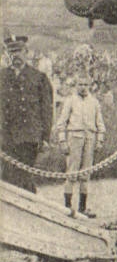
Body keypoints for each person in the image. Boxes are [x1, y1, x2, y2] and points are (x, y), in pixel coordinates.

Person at [0, 34, 54, 192]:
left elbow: (46, 110)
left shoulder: (39, 78)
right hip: (5, 137)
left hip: (28, 136)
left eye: (19, 51)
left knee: (24, 177)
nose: (16, 55)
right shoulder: (1, 77)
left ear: (26, 52)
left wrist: (45, 137)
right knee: (6, 178)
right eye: (12, 52)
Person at [53, 58, 106, 217]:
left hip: (89, 138)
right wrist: (62, 141)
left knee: (86, 173)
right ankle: (68, 207)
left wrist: (99, 140)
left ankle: (83, 207)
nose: (83, 87)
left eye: (86, 84)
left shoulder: (94, 102)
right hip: (74, 138)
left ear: (90, 85)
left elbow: (100, 124)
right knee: (71, 173)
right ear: (76, 85)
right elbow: (61, 123)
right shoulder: (70, 101)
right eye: (80, 84)